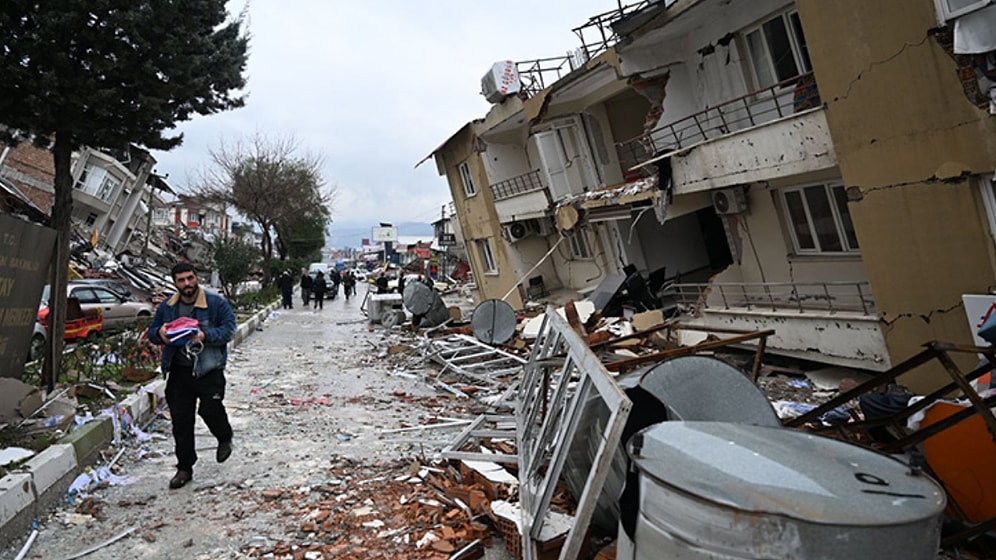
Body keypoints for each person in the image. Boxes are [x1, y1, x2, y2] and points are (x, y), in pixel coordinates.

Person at [147, 262, 236, 490]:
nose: (187, 284)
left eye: (190, 278)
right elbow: (153, 331)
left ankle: (224, 436)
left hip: (208, 370)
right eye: (181, 280)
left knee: (210, 410)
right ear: (175, 283)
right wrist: (160, 333)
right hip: (178, 372)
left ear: (196, 278)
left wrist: (205, 335)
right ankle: (184, 467)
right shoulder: (168, 307)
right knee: (181, 421)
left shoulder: (215, 303)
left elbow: (229, 330)